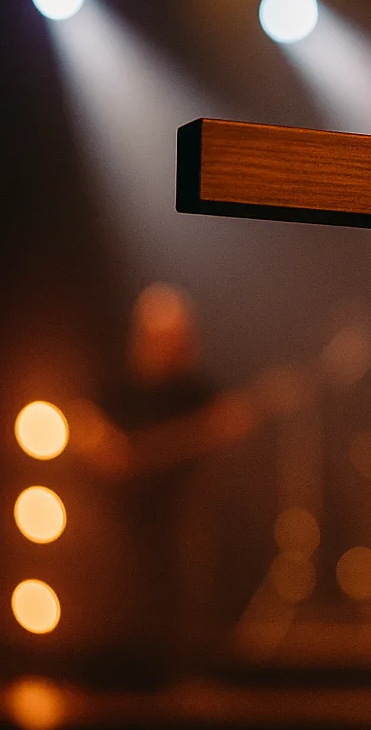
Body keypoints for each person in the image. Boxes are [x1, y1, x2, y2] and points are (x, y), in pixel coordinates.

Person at [69, 283, 260, 683]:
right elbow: (81, 417)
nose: (166, 345)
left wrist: (228, 427)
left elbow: (226, 421)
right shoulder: (118, 385)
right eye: (158, 336)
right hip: (116, 520)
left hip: (179, 518)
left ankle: (178, 672)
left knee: (179, 590)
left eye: (174, 337)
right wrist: (95, 439)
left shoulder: (196, 390)